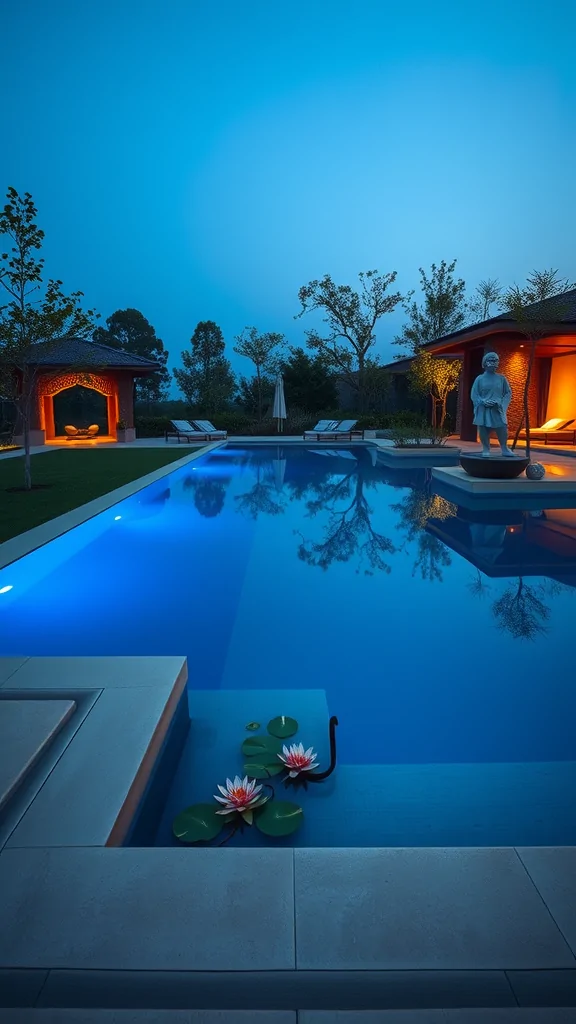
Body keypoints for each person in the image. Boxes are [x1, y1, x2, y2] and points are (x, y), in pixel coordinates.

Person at [471, 352, 514, 457]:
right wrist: (482, 401)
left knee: (502, 427)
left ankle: (504, 448)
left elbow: (508, 393)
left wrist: (501, 405)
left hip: (497, 408)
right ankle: (486, 448)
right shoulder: (479, 379)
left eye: (496, 360)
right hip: (483, 408)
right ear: (485, 362)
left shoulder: (501, 378)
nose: (493, 363)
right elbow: (474, 394)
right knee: (483, 428)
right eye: (491, 360)